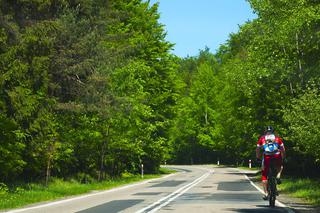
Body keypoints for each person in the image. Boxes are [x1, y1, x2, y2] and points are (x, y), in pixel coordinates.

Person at [256, 126, 286, 200]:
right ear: (273, 131)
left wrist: (258, 157)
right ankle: (278, 175)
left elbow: (258, 149)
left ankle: (266, 193)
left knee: (264, 175)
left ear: (265, 132)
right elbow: (282, 149)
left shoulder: (262, 139)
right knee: (280, 166)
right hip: (276, 156)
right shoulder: (277, 138)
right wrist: (283, 157)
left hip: (267, 157)